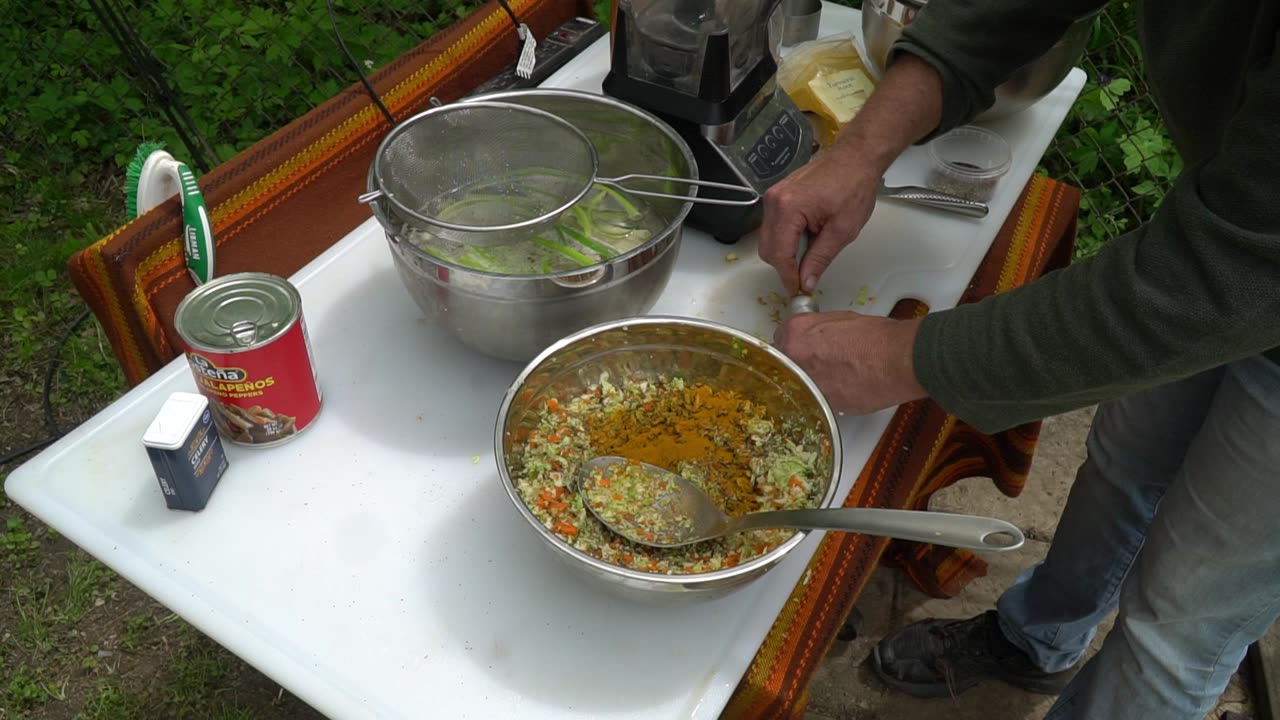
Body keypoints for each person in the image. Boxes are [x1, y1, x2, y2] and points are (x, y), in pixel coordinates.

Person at [757, 1, 1280, 718]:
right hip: (1232, 211)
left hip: (1243, 258)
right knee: (1125, 466)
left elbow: (1221, 278)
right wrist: (858, 154)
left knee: (1180, 623)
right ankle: (1037, 640)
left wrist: (908, 356)